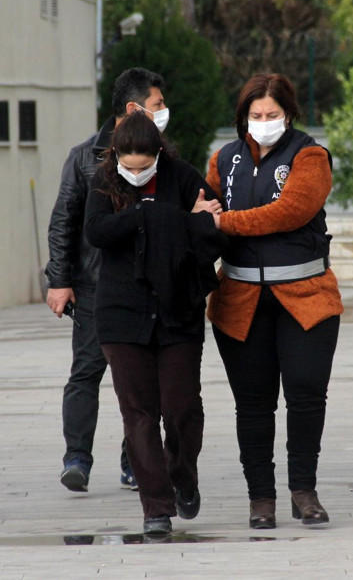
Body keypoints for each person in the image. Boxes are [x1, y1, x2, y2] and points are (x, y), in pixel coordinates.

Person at [206, 73, 343, 529]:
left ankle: (304, 491)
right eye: (255, 115)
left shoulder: (310, 155)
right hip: (239, 300)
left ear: (290, 114)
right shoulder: (223, 159)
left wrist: (225, 222)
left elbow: (290, 212)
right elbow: (201, 210)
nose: (263, 122)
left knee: (306, 396)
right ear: (243, 116)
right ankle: (260, 499)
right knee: (253, 404)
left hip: (306, 298)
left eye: (273, 115)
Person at [85, 112, 224, 536]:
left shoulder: (183, 177)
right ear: (116, 157)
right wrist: (151, 215)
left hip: (177, 312)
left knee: (182, 408)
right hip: (122, 317)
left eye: (145, 165)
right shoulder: (104, 182)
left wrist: (179, 217)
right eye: (129, 165)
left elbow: (214, 230)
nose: (137, 172)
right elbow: (96, 232)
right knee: (139, 414)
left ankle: (182, 475)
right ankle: (156, 507)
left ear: (159, 154)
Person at [45, 67, 169, 493]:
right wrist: (60, 280)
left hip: (147, 286)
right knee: (87, 371)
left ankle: (134, 460)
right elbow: (63, 221)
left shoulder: (163, 158)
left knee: (140, 379)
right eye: (157, 105)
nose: (164, 112)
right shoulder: (85, 156)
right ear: (134, 108)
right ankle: (76, 457)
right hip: (96, 286)